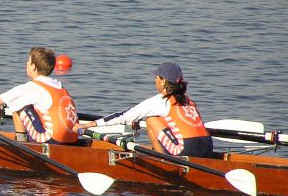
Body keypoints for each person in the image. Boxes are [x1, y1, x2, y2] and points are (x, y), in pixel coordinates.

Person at [76, 62, 213, 157]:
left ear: (163, 81)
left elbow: (123, 116)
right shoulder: (188, 101)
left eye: (156, 77)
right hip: (208, 146)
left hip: (187, 149)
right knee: (156, 118)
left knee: (151, 120)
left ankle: (160, 159)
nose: (155, 80)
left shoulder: (160, 100)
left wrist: (87, 125)